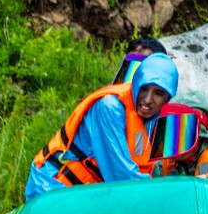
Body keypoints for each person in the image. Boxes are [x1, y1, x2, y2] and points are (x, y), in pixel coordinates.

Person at [25, 52, 179, 200]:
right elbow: (122, 178)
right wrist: (160, 194)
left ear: (167, 98)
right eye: (144, 89)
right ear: (136, 83)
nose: (147, 100)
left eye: (158, 93)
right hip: (52, 186)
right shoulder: (109, 108)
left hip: (87, 192)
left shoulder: (153, 119)